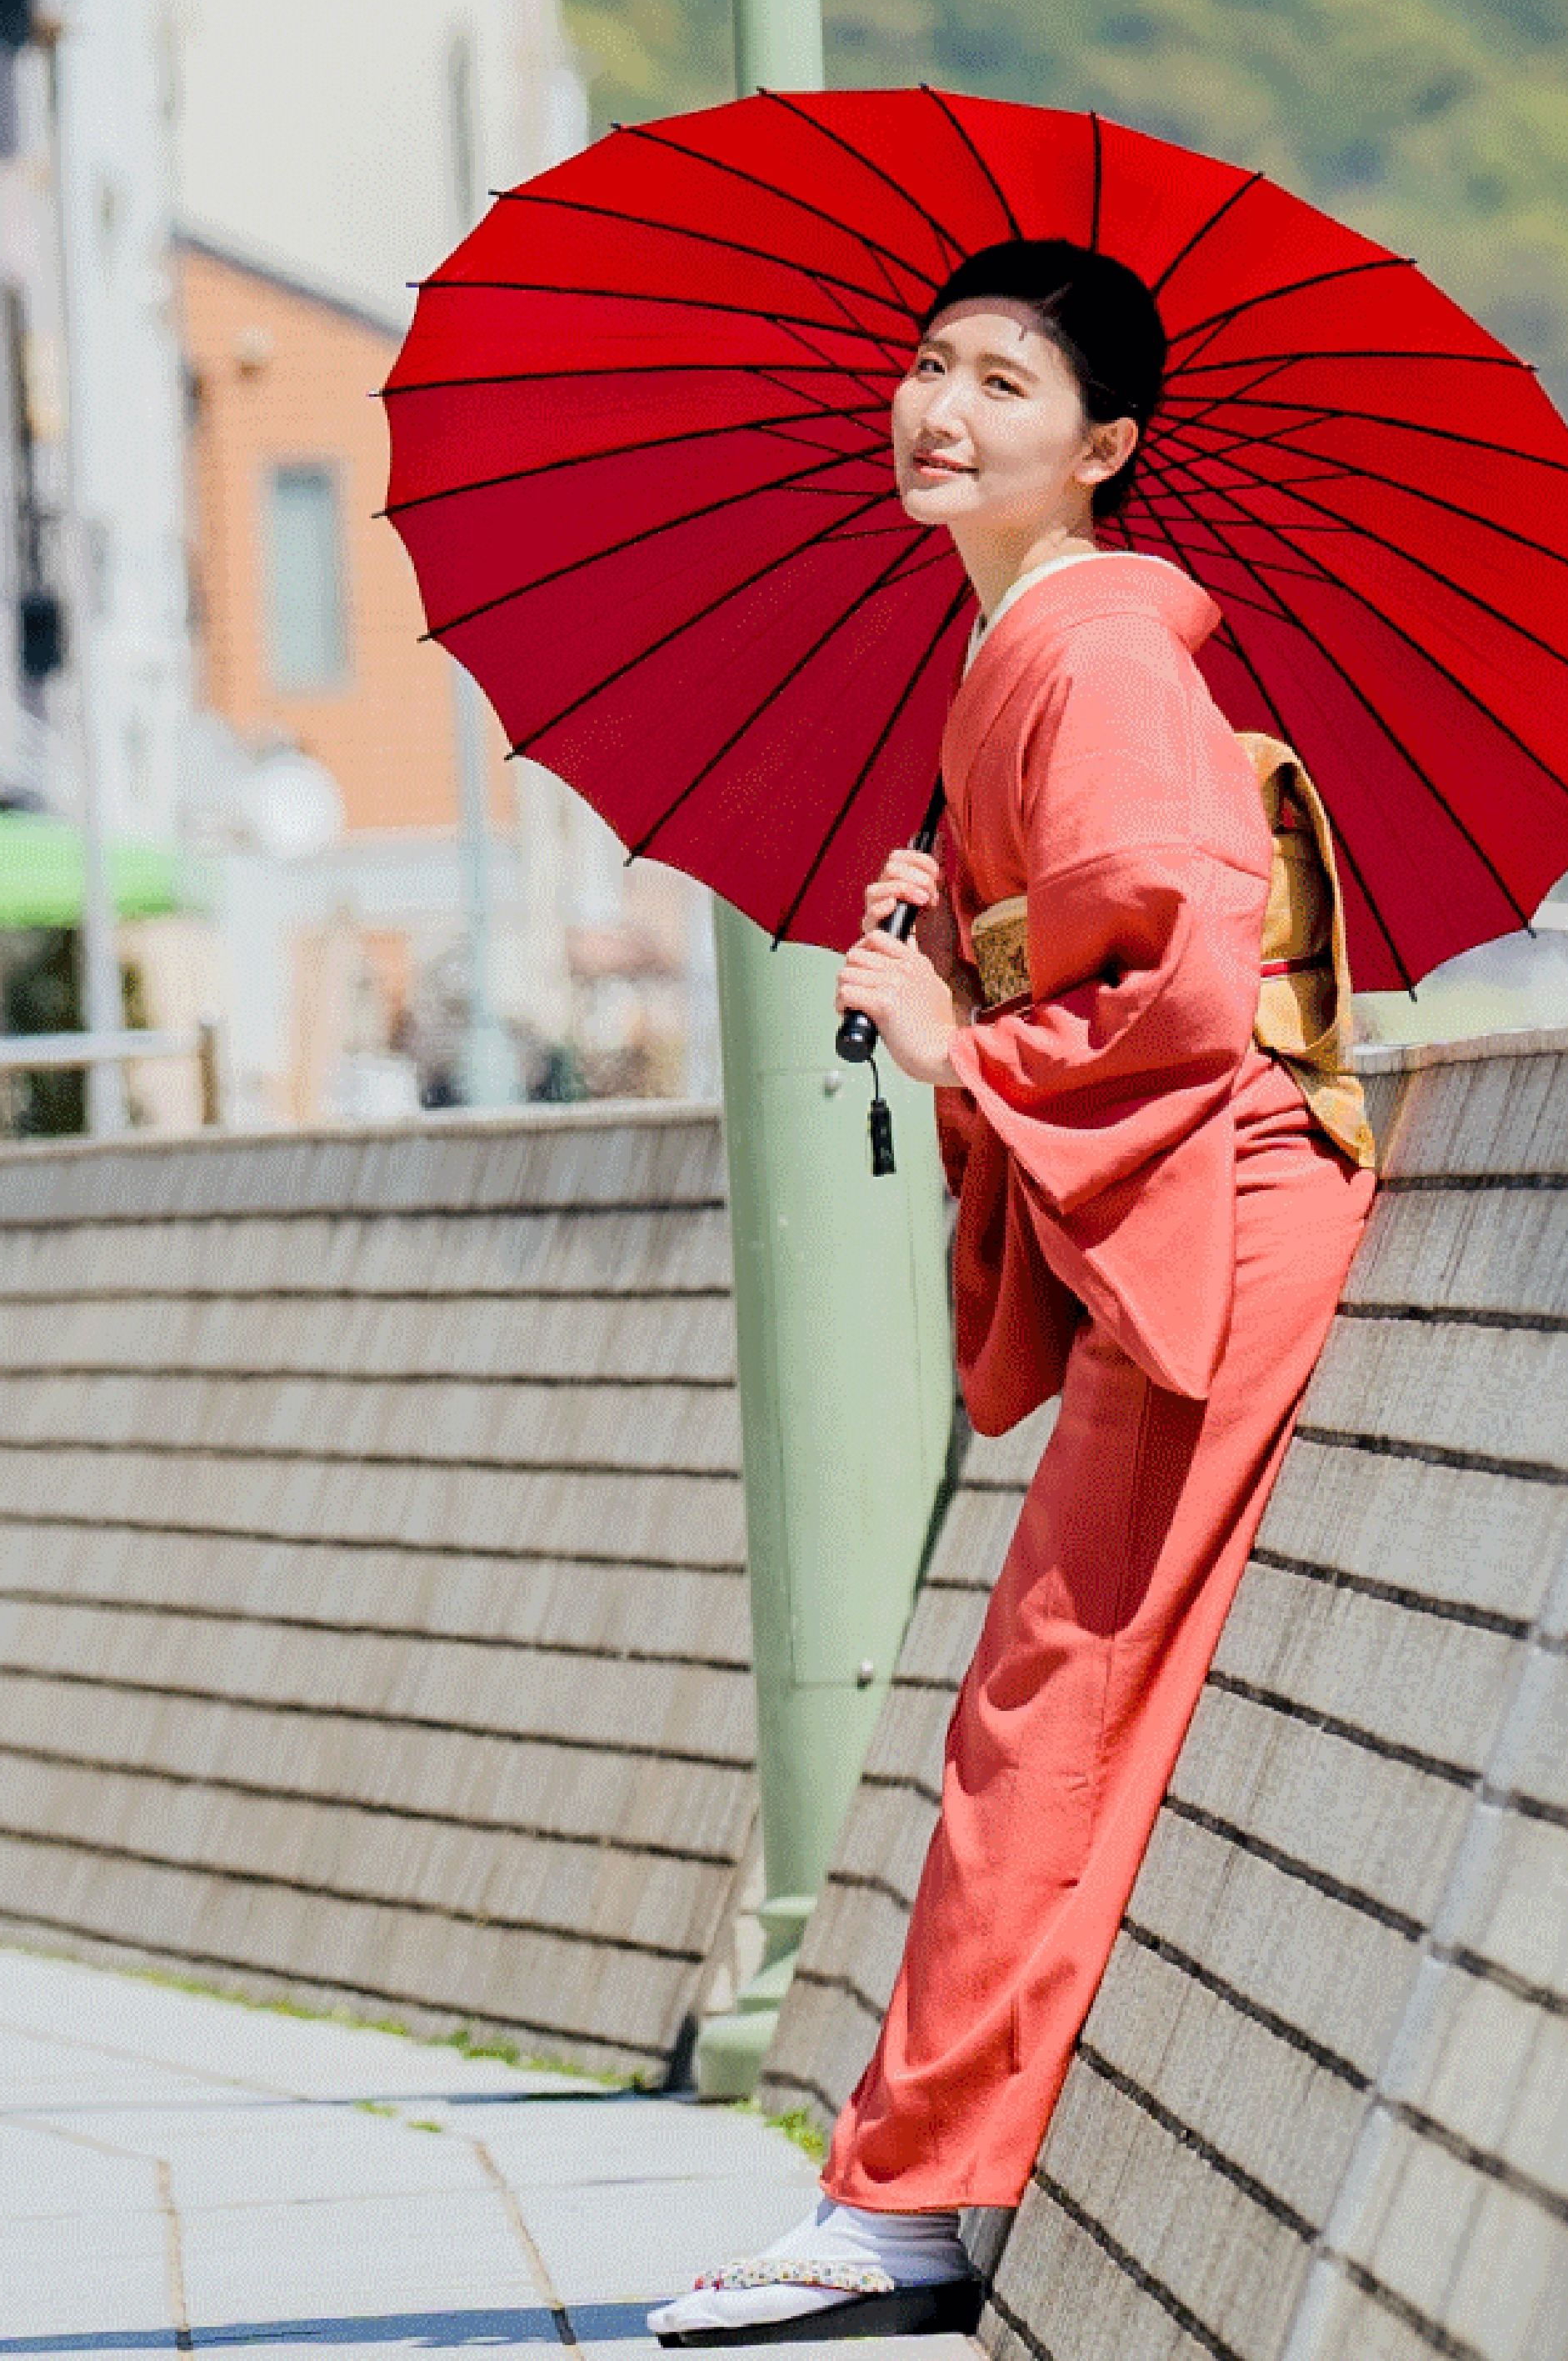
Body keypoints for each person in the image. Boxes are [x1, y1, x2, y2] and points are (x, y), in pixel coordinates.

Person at [647, 243, 1375, 2345]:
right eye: (927, 367)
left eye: (998, 381)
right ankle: (921, 2186)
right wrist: (956, 932)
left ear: (1107, 447)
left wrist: (963, 1035)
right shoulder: (1037, 652)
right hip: (1213, 1206)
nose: (936, 407)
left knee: (1049, 1699)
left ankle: (901, 2202)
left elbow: (1189, 965)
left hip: (1213, 1216)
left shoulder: (1085, 656)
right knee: (1055, 1697)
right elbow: (1114, 940)